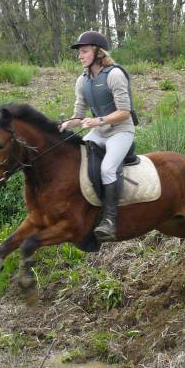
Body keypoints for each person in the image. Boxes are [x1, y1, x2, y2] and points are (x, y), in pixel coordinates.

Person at [59, 31, 136, 242]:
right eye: (79, 52)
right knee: (78, 161)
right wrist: (68, 123)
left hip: (121, 131)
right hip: (99, 132)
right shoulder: (81, 81)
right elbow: (79, 115)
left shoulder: (115, 75)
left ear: (97, 52)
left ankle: (109, 220)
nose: (80, 56)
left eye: (84, 51)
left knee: (107, 169)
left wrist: (98, 121)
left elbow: (125, 112)